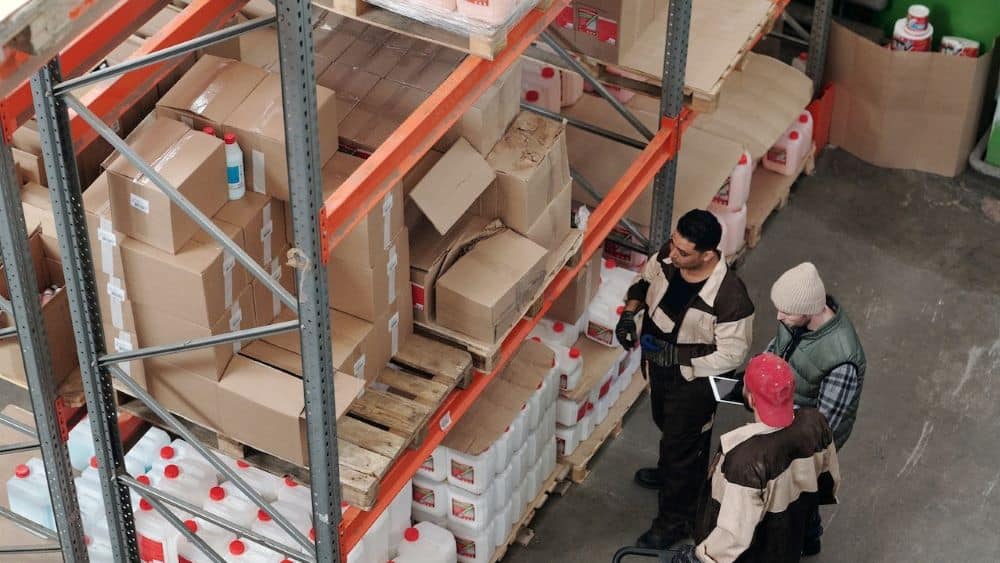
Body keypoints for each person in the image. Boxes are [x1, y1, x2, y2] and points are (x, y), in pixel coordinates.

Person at [615, 209, 755, 549]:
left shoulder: (730, 296)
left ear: (707, 254)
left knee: (684, 447)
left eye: (683, 252)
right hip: (660, 368)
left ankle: (677, 520)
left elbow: (734, 354)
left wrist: (678, 360)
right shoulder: (669, 257)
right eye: (673, 246)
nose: (672, 254)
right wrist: (629, 315)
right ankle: (669, 474)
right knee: (665, 423)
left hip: (696, 383)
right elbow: (644, 282)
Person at [670, 353, 841, 563]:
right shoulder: (815, 423)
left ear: (750, 399)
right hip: (790, 535)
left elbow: (733, 535)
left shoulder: (744, 461)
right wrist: (811, 527)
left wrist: (701, 558)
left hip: (757, 553)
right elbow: (827, 480)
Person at [765, 261, 866, 555]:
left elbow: (822, 428)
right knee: (798, 493)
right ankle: (809, 534)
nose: (778, 316)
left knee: (797, 494)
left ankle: (802, 539)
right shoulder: (795, 316)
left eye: (785, 311)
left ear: (810, 310)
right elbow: (779, 346)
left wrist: (779, 418)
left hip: (806, 439)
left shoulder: (842, 358)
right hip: (787, 417)